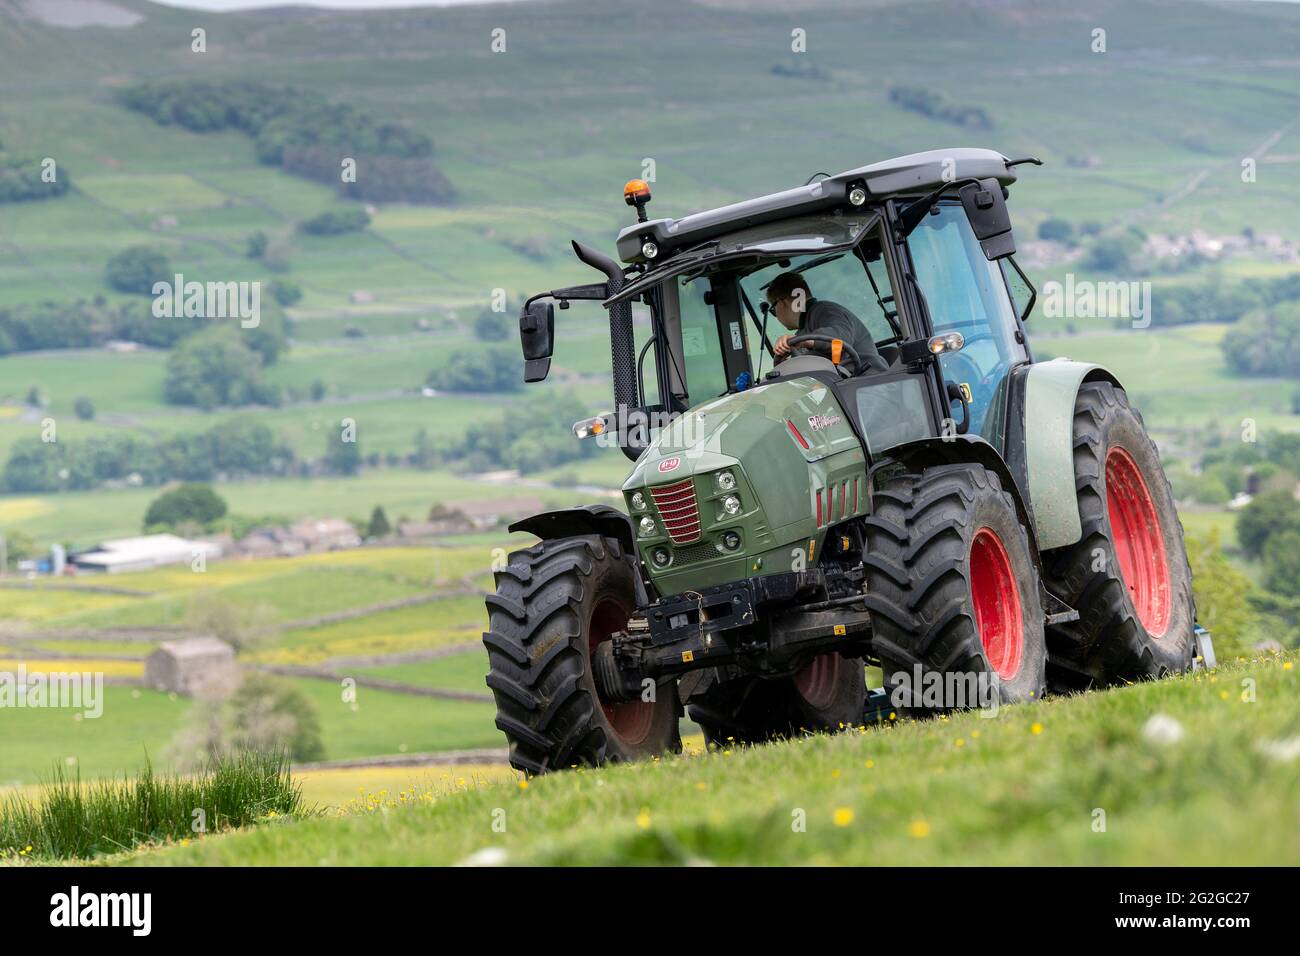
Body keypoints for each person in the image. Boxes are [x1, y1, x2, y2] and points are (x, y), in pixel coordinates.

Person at [766, 272, 885, 374]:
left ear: (781, 303)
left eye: (773, 311)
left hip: (866, 384)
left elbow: (840, 338)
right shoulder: (803, 331)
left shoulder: (825, 310)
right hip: (838, 388)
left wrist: (804, 340)